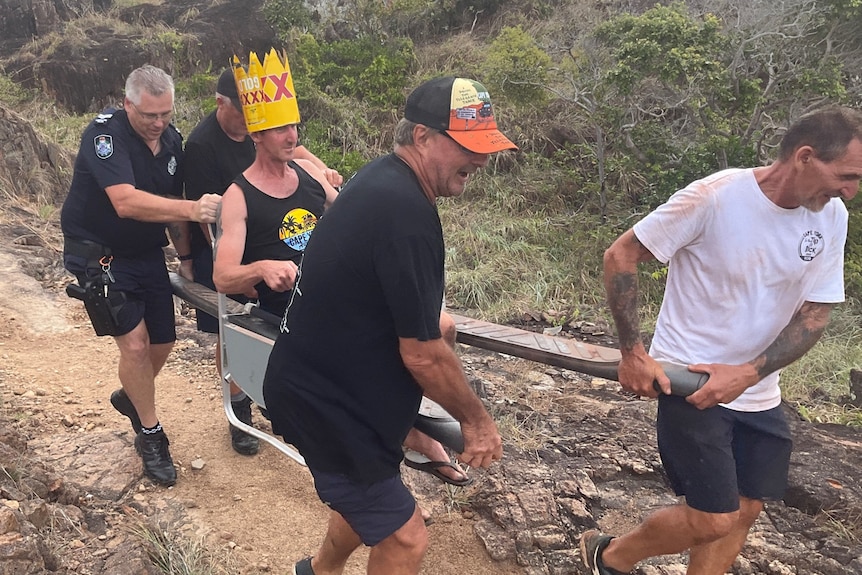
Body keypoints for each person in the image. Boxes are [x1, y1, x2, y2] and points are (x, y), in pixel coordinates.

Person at [584, 106, 862, 575]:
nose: (851, 191)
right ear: (805, 156)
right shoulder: (714, 198)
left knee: (746, 510)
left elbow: (816, 311)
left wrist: (749, 373)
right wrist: (634, 353)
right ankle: (609, 557)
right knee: (713, 518)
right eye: (847, 175)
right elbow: (622, 255)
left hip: (758, 390)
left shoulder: (831, 216)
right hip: (690, 381)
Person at [262, 76, 513, 575]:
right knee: (404, 537)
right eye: (470, 147)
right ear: (422, 137)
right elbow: (421, 352)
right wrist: (476, 421)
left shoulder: (382, 180)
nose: (482, 161)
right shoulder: (404, 212)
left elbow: (412, 319)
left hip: (335, 391)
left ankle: (317, 570)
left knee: (369, 505)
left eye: (486, 149)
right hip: (327, 403)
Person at [61, 65, 222, 487]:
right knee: (134, 345)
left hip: (147, 252)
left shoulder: (172, 140)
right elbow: (127, 202)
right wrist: (193, 209)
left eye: (165, 113)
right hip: (99, 253)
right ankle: (151, 435)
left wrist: (185, 257)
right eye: (149, 115)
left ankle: (130, 395)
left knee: (164, 342)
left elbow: (169, 201)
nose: (158, 123)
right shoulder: (104, 137)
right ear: (127, 103)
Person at [184, 67, 343, 455]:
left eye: (293, 126)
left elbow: (349, 220)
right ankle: (246, 403)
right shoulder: (237, 194)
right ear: (256, 134)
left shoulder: (307, 173)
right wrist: (261, 268)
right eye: (279, 129)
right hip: (285, 306)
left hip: (331, 293)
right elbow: (222, 277)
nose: (292, 136)